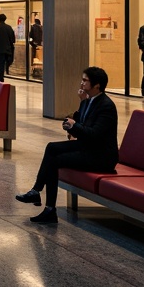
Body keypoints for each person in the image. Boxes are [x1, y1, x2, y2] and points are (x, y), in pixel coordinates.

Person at [16, 66, 118, 224]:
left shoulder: (106, 106)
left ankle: (49, 209)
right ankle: (36, 191)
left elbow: (94, 135)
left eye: (85, 80)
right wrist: (74, 120)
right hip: (88, 147)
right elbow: (82, 125)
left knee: (55, 161)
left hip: (101, 156)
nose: (82, 83)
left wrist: (75, 126)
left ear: (97, 85)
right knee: (52, 147)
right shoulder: (88, 101)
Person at [0, 13, 15, 82]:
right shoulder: (9, 28)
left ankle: (0, 78)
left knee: (0, 65)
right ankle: (5, 73)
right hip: (8, 49)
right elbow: (13, 39)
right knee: (6, 63)